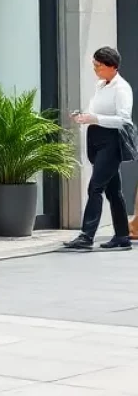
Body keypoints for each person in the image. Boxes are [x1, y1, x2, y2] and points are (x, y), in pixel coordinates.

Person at [64, 46, 134, 251]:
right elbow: (95, 110)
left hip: (111, 142)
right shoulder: (101, 85)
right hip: (96, 139)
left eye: (98, 66)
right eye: (94, 65)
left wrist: (95, 118)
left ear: (112, 66)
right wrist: (83, 116)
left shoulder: (122, 88)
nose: (95, 69)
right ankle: (122, 236)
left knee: (95, 187)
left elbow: (124, 120)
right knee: (114, 191)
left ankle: (86, 236)